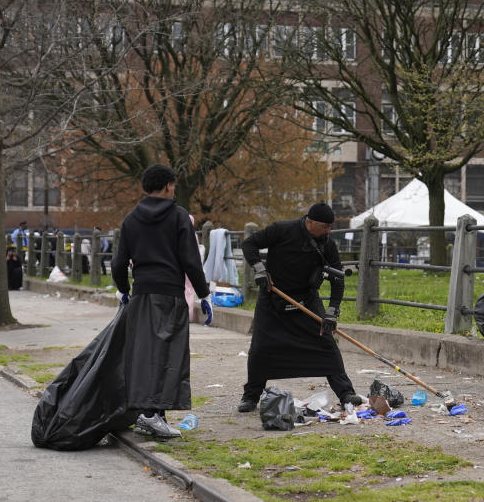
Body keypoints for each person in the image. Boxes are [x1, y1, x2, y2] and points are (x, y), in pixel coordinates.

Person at [111, 164, 213, 439]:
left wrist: (124, 289)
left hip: (142, 294)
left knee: (145, 354)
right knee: (170, 354)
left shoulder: (131, 219)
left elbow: (119, 262)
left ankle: (150, 413)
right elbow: (191, 261)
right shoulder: (179, 217)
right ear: (168, 185)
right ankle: (152, 415)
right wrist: (203, 294)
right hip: (170, 293)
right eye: (174, 185)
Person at [237, 202, 363, 413]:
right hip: (273, 298)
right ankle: (250, 396)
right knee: (260, 349)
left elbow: (337, 280)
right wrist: (259, 269)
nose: (329, 231)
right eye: (325, 226)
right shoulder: (282, 230)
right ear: (310, 222)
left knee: (327, 342)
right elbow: (249, 244)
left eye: (331, 227)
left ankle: (345, 393)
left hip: (307, 298)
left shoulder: (327, 245)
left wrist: (332, 313)